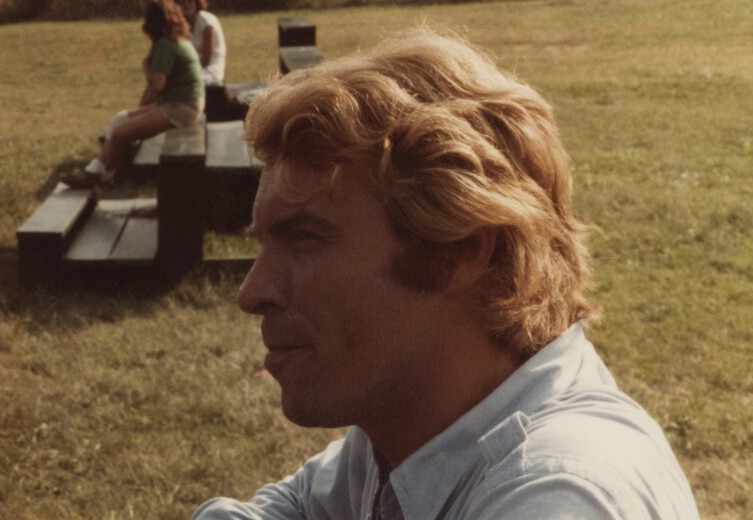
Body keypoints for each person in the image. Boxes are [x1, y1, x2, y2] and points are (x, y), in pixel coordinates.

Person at [191, 29, 700, 519]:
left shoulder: (560, 495)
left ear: (457, 254)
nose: (252, 293)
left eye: (304, 239)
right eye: (265, 244)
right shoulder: (418, 425)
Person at [61, 0, 204, 188]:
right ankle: (95, 170)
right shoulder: (178, 39)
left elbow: (157, 85)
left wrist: (145, 66)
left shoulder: (165, 44)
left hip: (181, 108)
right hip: (182, 103)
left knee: (120, 133)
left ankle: (103, 175)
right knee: (120, 119)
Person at [173, 0, 226, 87]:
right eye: (182, 2)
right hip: (191, 68)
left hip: (210, 69)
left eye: (190, 1)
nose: (186, 5)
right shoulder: (178, 24)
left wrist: (182, 71)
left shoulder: (207, 22)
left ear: (196, 2)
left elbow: (206, 60)